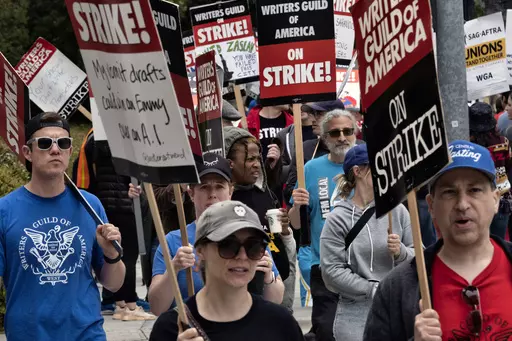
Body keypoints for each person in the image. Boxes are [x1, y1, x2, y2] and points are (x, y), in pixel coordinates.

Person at [364, 140, 512, 341]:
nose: (462, 204)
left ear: (495, 200)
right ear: (431, 206)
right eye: (449, 192)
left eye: (474, 190)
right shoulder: (397, 288)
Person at [0, 112, 125, 340]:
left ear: (69, 151)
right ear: (28, 152)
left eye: (63, 143)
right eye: (45, 143)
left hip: (85, 333)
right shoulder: (5, 210)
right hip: (27, 334)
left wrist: (111, 254)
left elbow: (114, 284)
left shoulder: (90, 204)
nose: (55, 149)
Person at [148, 153, 284, 316]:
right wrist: (174, 268)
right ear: (191, 193)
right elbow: (156, 307)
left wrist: (268, 278)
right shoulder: (174, 241)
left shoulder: (248, 237)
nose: (212, 194)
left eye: (219, 186)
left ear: (230, 191)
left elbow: (276, 300)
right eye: (204, 187)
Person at [149, 201, 304, 341]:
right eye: (228, 245)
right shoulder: (172, 328)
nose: (242, 256)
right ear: (200, 250)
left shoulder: (281, 324)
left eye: (254, 246)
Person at [320, 144, 414, 340]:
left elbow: (419, 257)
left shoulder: (397, 210)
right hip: (354, 317)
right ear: (358, 171)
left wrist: (401, 253)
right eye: (381, 165)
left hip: (396, 311)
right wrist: (374, 289)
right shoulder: (337, 218)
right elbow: (331, 271)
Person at [289, 109, 358, 341]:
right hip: (324, 265)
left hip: (362, 264)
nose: (342, 137)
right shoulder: (310, 169)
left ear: (355, 133)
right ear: (325, 138)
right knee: (327, 330)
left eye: (347, 131)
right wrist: (297, 207)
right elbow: (296, 225)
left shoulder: (366, 167)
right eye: (335, 132)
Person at [73, 129, 155, 320]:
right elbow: (127, 172)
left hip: (103, 204)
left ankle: (120, 302)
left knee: (116, 252)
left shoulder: (91, 138)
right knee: (128, 253)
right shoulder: (121, 136)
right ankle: (128, 306)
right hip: (123, 204)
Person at [224, 126, 296, 312]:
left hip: (278, 285)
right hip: (245, 297)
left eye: (258, 158)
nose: (257, 164)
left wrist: (286, 231)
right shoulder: (225, 202)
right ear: (229, 163)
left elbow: (278, 240)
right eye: (249, 159)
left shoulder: (264, 192)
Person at [469, 102, 512, 239]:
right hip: (502, 197)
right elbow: (508, 167)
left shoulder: (471, 147)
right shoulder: (503, 142)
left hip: (479, 199)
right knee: (498, 241)